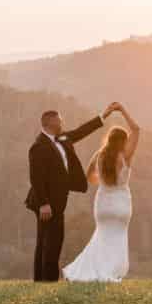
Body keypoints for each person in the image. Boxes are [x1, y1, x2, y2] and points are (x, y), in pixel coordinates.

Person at [25, 104, 119, 282]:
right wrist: (44, 203)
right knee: (51, 241)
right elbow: (36, 178)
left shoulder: (62, 138)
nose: (62, 122)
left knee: (46, 240)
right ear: (50, 123)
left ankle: (41, 281)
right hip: (47, 203)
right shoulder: (38, 147)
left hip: (58, 200)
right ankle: (49, 281)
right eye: (60, 120)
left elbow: (82, 131)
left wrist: (103, 116)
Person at [63, 104, 141, 283]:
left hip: (103, 202)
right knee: (117, 237)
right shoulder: (125, 156)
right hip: (121, 203)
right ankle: (110, 271)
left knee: (101, 237)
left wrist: (105, 184)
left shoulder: (99, 155)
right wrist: (122, 110)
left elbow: (89, 177)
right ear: (123, 141)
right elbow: (136, 129)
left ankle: (83, 271)